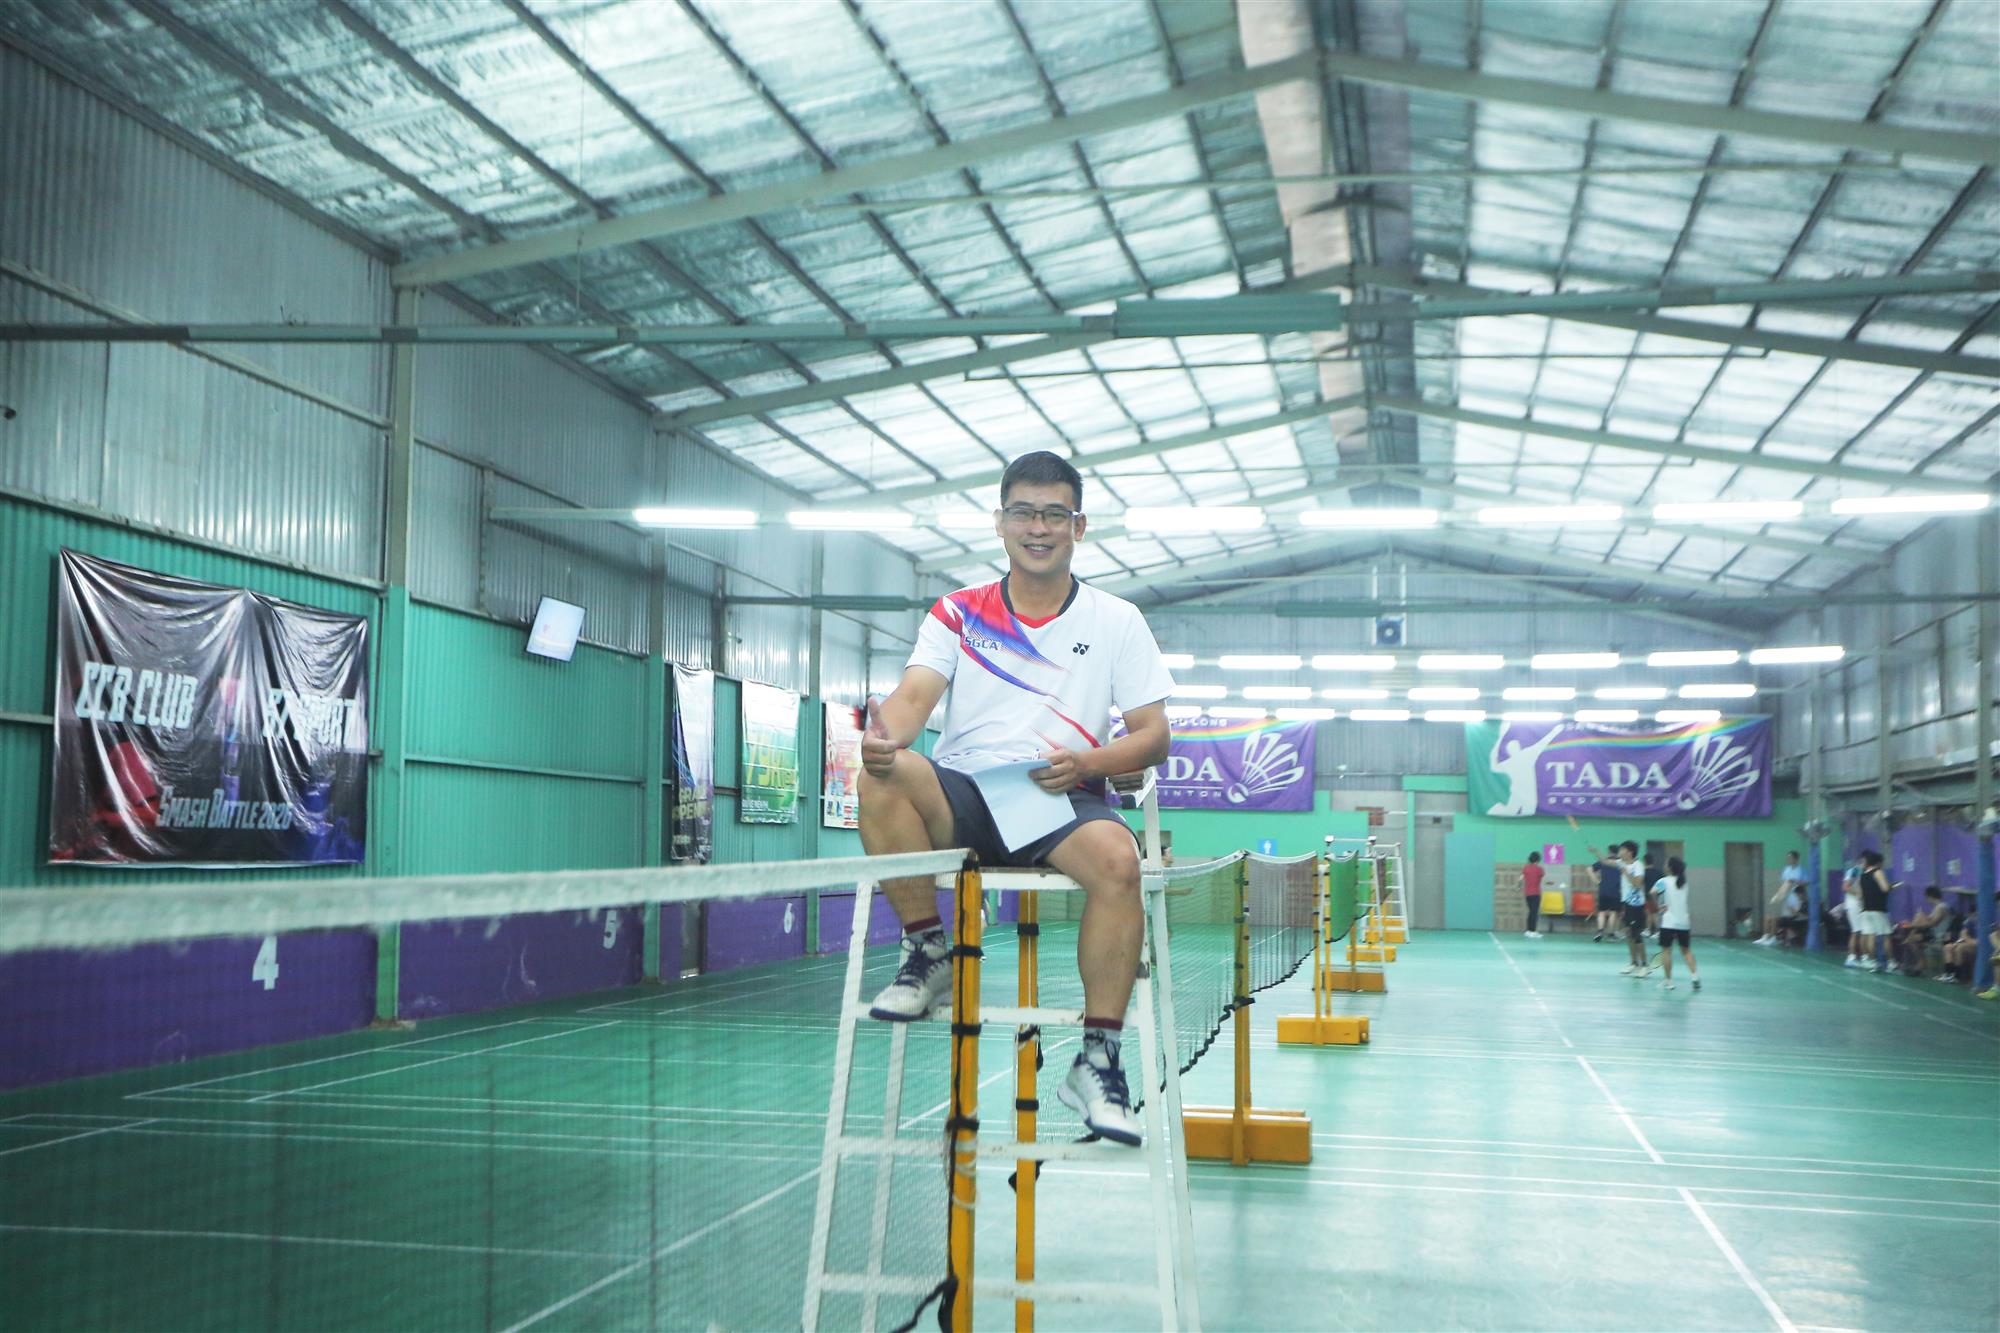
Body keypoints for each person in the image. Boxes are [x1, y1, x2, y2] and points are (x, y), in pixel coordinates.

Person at [858, 451, 1173, 1147]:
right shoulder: (958, 612)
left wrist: (1088, 761)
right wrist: (886, 737)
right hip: (966, 792)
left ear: (1078, 526)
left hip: (1060, 794)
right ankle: (929, 951)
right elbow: (914, 698)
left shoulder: (1117, 620)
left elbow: (1154, 736)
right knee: (880, 776)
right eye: (1024, 513)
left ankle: (1097, 1061)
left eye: (1054, 514)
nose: (1038, 527)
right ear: (999, 522)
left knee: (1119, 861)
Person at [1653, 856, 1700, 992]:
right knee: (1686, 951)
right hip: (1684, 922)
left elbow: (1652, 893)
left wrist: (1659, 905)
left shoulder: (1663, 881)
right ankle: (1695, 977)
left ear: (1670, 867)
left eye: (1666, 863)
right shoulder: (1684, 883)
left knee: (1666, 952)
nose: (1664, 865)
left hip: (1668, 922)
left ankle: (1669, 981)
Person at [1890, 886, 1949, 975]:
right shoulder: (1938, 907)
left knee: (1918, 918)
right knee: (1918, 918)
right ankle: (1911, 941)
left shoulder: (1941, 907)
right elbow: (1930, 922)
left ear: (1930, 896)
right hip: (1931, 933)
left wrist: (1912, 925)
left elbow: (1932, 924)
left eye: (1927, 898)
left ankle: (1920, 962)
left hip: (1937, 935)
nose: (1926, 900)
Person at [1852, 850, 1893, 973]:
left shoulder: (1861, 876)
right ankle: (1891, 963)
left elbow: (1859, 895)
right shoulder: (1878, 872)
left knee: (1870, 937)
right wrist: (1891, 886)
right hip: (1878, 909)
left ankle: (1874, 963)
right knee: (1885, 936)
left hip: (1866, 910)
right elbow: (1885, 888)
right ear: (1878, 863)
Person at [1757, 851, 1808, 946]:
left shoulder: (1801, 870)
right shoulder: (1786, 869)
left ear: (1796, 859)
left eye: (1790, 858)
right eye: (1788, 858)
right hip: (1786, 896)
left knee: (1788, 916)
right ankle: (1766, 936)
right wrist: (1781, 893)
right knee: (1773, 916)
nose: (1788, 859)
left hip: (1795, 897)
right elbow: (1783, 882)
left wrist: (1795, 881)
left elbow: (1806, 882)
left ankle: (1779, 938)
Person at [1590, 846, 1624, 942]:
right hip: (1616, 891)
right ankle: (1610, 934)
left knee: (1602, 912)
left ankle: (1600, 931)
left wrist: (1597, 881)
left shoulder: (1603, 861)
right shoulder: (1620, 863)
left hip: (1603, 890)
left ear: (1609, 852)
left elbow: (1589, 869)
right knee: (1613, 913)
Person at [1521, 850, 1546, 939]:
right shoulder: (1539, 869)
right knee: (1534, 913)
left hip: (1527, 894)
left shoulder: (1525, 868)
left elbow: (1521, 878)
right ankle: (1533, 931)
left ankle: (1528, 931)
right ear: (1538, 860)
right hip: (1535, 894)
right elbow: (1542, 875)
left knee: (1531, 912)